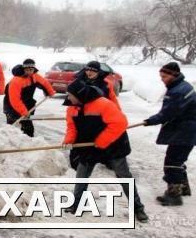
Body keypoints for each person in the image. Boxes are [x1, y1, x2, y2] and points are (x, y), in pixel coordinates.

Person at [63, 80, 148, 223]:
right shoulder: (72, 108)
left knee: (124, 176)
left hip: (113, 145)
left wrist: (101, 141)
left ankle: (138, 208)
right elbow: (72, 127)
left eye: (70, 95)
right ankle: (76, 204)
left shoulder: (104, 104)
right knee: (81, 175)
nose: (68, 98)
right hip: (89, 146)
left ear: (79, 94)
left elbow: (120, 123)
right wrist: (68, 141)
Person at [143, 62, 196, 206]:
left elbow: (167, 114)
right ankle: (184, 188)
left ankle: (174, 195)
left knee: (172, 163)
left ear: (173, 75)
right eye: (161, 76)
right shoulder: (183, 86)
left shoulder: (177, 92)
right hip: (188, 129)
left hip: (184, 131)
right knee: (178, 160)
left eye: (164, 76)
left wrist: (150, 121)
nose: (161, 79)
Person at [69, 61, 120, 169]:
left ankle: (108, 160)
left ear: (98, 72)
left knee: (103, 139)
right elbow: (72, 100)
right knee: (81, 140)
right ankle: (77, 163)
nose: (89, 72)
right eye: (87, 70)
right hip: (82, 116)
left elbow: (112, 100)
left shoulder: (105, 84)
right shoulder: (80, 82)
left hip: (100, 116)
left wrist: (118, 113)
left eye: (93, 71)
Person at [4, 59, 55, 137]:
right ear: (23, 69)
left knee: (28, 129)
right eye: (27, 69)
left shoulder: (34, 76)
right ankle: (8, 142)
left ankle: (27, 141)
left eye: (31, 69)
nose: (30, 72)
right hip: (12, 107)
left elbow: (44, 82)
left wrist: (50, 92)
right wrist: (23, 111)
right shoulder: (16, 81)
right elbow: (15, 100)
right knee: (13, 128)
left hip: (27, 104)